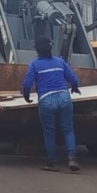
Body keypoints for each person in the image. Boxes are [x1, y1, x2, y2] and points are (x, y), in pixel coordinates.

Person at [22, 35, 81, 173]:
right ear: (50, 47)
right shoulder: (60, 61)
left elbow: (27, 84)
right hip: (64, 97)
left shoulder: (35, 64)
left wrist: (26, 96)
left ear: (37, 50)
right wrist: (75, 88)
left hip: (47, 101)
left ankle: (53, 163)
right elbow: (73, 78)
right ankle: (72, 158)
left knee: (50, 132)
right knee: (68, 130)